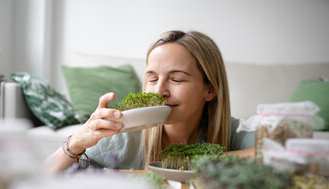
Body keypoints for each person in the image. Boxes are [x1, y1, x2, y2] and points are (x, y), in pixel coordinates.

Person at [42, 30, 255, 174]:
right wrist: (77, 141)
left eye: (176, 79)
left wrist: (189, 160)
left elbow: (277, 152)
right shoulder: (123, 137)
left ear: (210, 89)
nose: (159, 90)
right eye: (152, 79)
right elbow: (42, 179)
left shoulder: (231, 131)